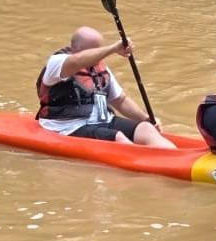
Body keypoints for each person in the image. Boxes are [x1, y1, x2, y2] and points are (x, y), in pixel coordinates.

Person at [35, 26, 175, 149]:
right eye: (95, 51)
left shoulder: (100, 69)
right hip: (66, 127)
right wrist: (113, 48)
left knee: (145, 128)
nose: (99, 56)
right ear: (76, 49)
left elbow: (120, 100)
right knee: (118, 137)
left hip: (103, 121)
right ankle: (147, 163)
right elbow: (77, 61)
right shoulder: (57, 62)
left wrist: (145, 118)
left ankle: (173, 156)